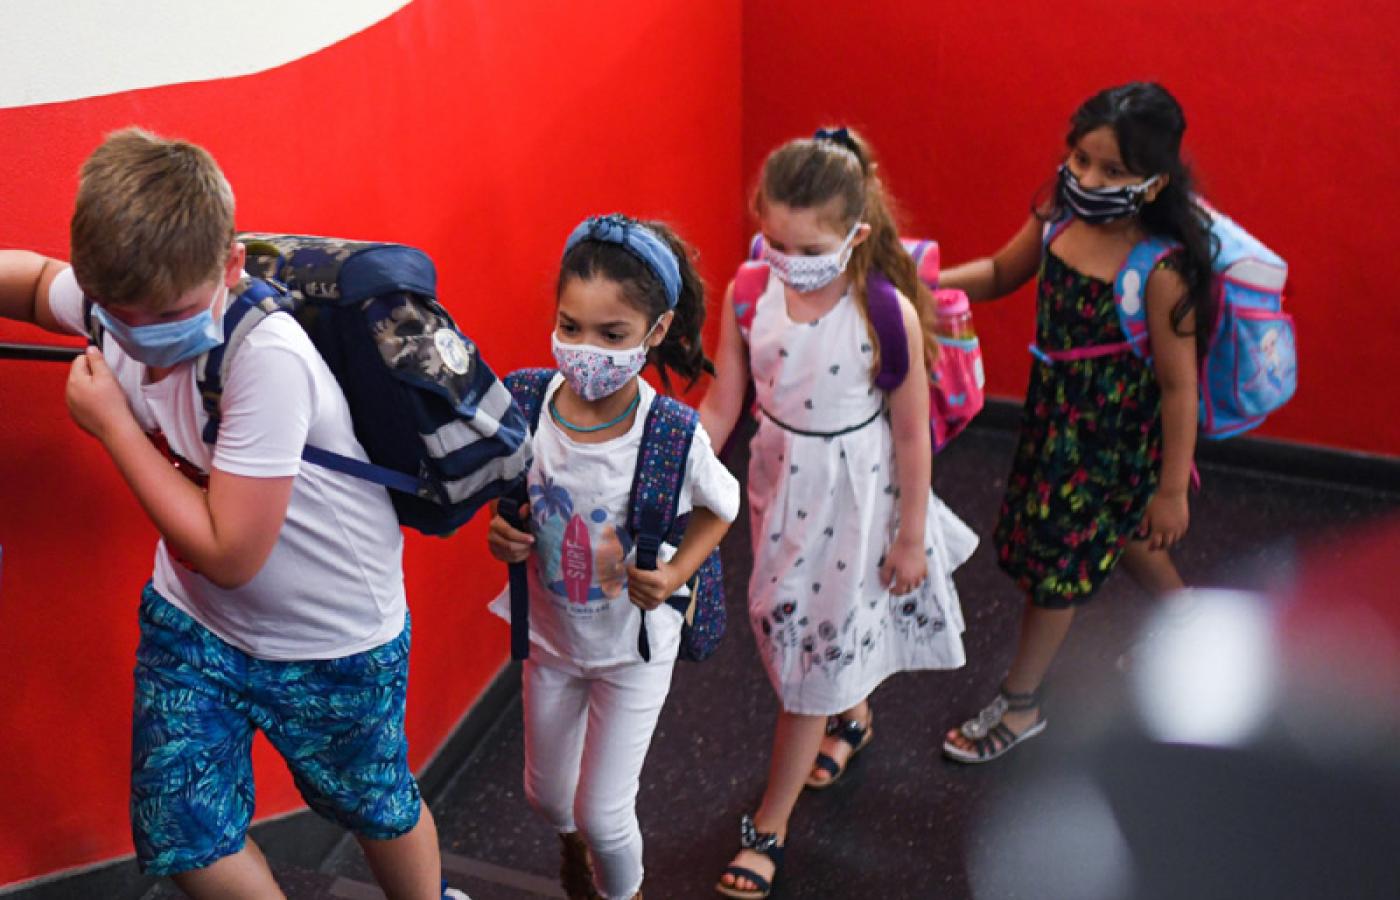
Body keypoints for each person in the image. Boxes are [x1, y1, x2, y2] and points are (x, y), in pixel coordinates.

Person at [0, 128, 466, 899]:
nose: (145, 339)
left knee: (374, 805)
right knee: (185, 835)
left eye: (172, 315)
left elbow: (229, 551)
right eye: (120, 317)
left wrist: (114, 426)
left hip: (332, 636)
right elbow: (33, 281)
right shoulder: (122, 300)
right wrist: (98, 313)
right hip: (196, 624)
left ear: (231, 266)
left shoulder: (266, 356)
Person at [700, 129, 977, 898]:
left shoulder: (884, 311)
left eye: (810, 248)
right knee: (794, 623)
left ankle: (769, 828)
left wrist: (912, 537)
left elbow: (912, 433)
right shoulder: (749, 292)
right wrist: (669, 475)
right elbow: (723, 402)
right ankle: (851, 713)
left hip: (856, 497)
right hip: (780, 485)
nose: (790, 261)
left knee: (802, 671)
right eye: (776, 242)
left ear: (856, 233)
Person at [939, 82, 1213, 764]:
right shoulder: (1058, 219)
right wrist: (926, 285)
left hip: (1115, 438)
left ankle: (1022, 701)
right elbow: (1000, 271)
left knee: (1055, 570)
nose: (1088, 180)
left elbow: (1179, 387)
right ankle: (1188, 621)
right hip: (1056, 424)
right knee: (1121, 532)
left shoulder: (1159, 271)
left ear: (1154, 182)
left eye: (1112, 171)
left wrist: (1171, 490)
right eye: (1081, 159)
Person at [485, 214, 740, 900]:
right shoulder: (526, 404)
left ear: (656, 331)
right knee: (546, 797)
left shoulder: (669, 432)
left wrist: (675, 573)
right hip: (551, 639)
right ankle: (573, 847)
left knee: (604, 813)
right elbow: (508, 497)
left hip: (634, 649)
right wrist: (500, 530)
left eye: (611, 335)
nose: (585, 349)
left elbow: (723, 505)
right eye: (570, 327)